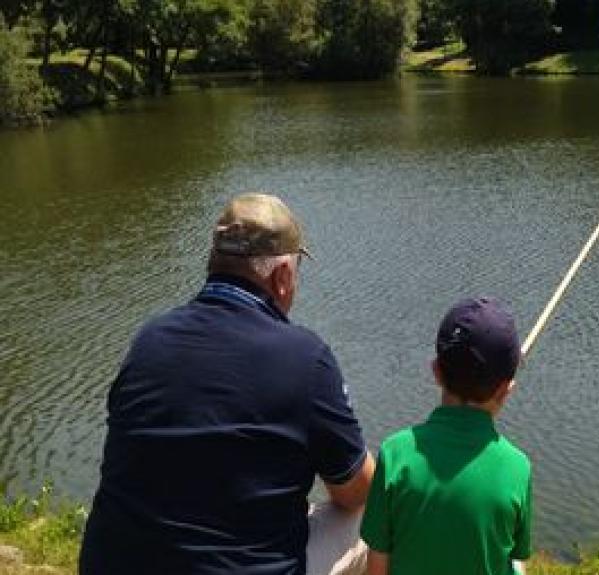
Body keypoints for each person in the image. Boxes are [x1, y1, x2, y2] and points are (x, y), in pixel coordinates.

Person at [80, 192, 375, 575]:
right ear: (283, 275)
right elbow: (356, 490)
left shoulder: (149, 340)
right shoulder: (304, 357)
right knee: (369, 516)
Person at [360, 297, 532, 575]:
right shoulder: (517, 468)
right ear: (505, 389)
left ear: (436, 371)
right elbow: (515, 555)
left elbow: (377, 567)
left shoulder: (395, 454)